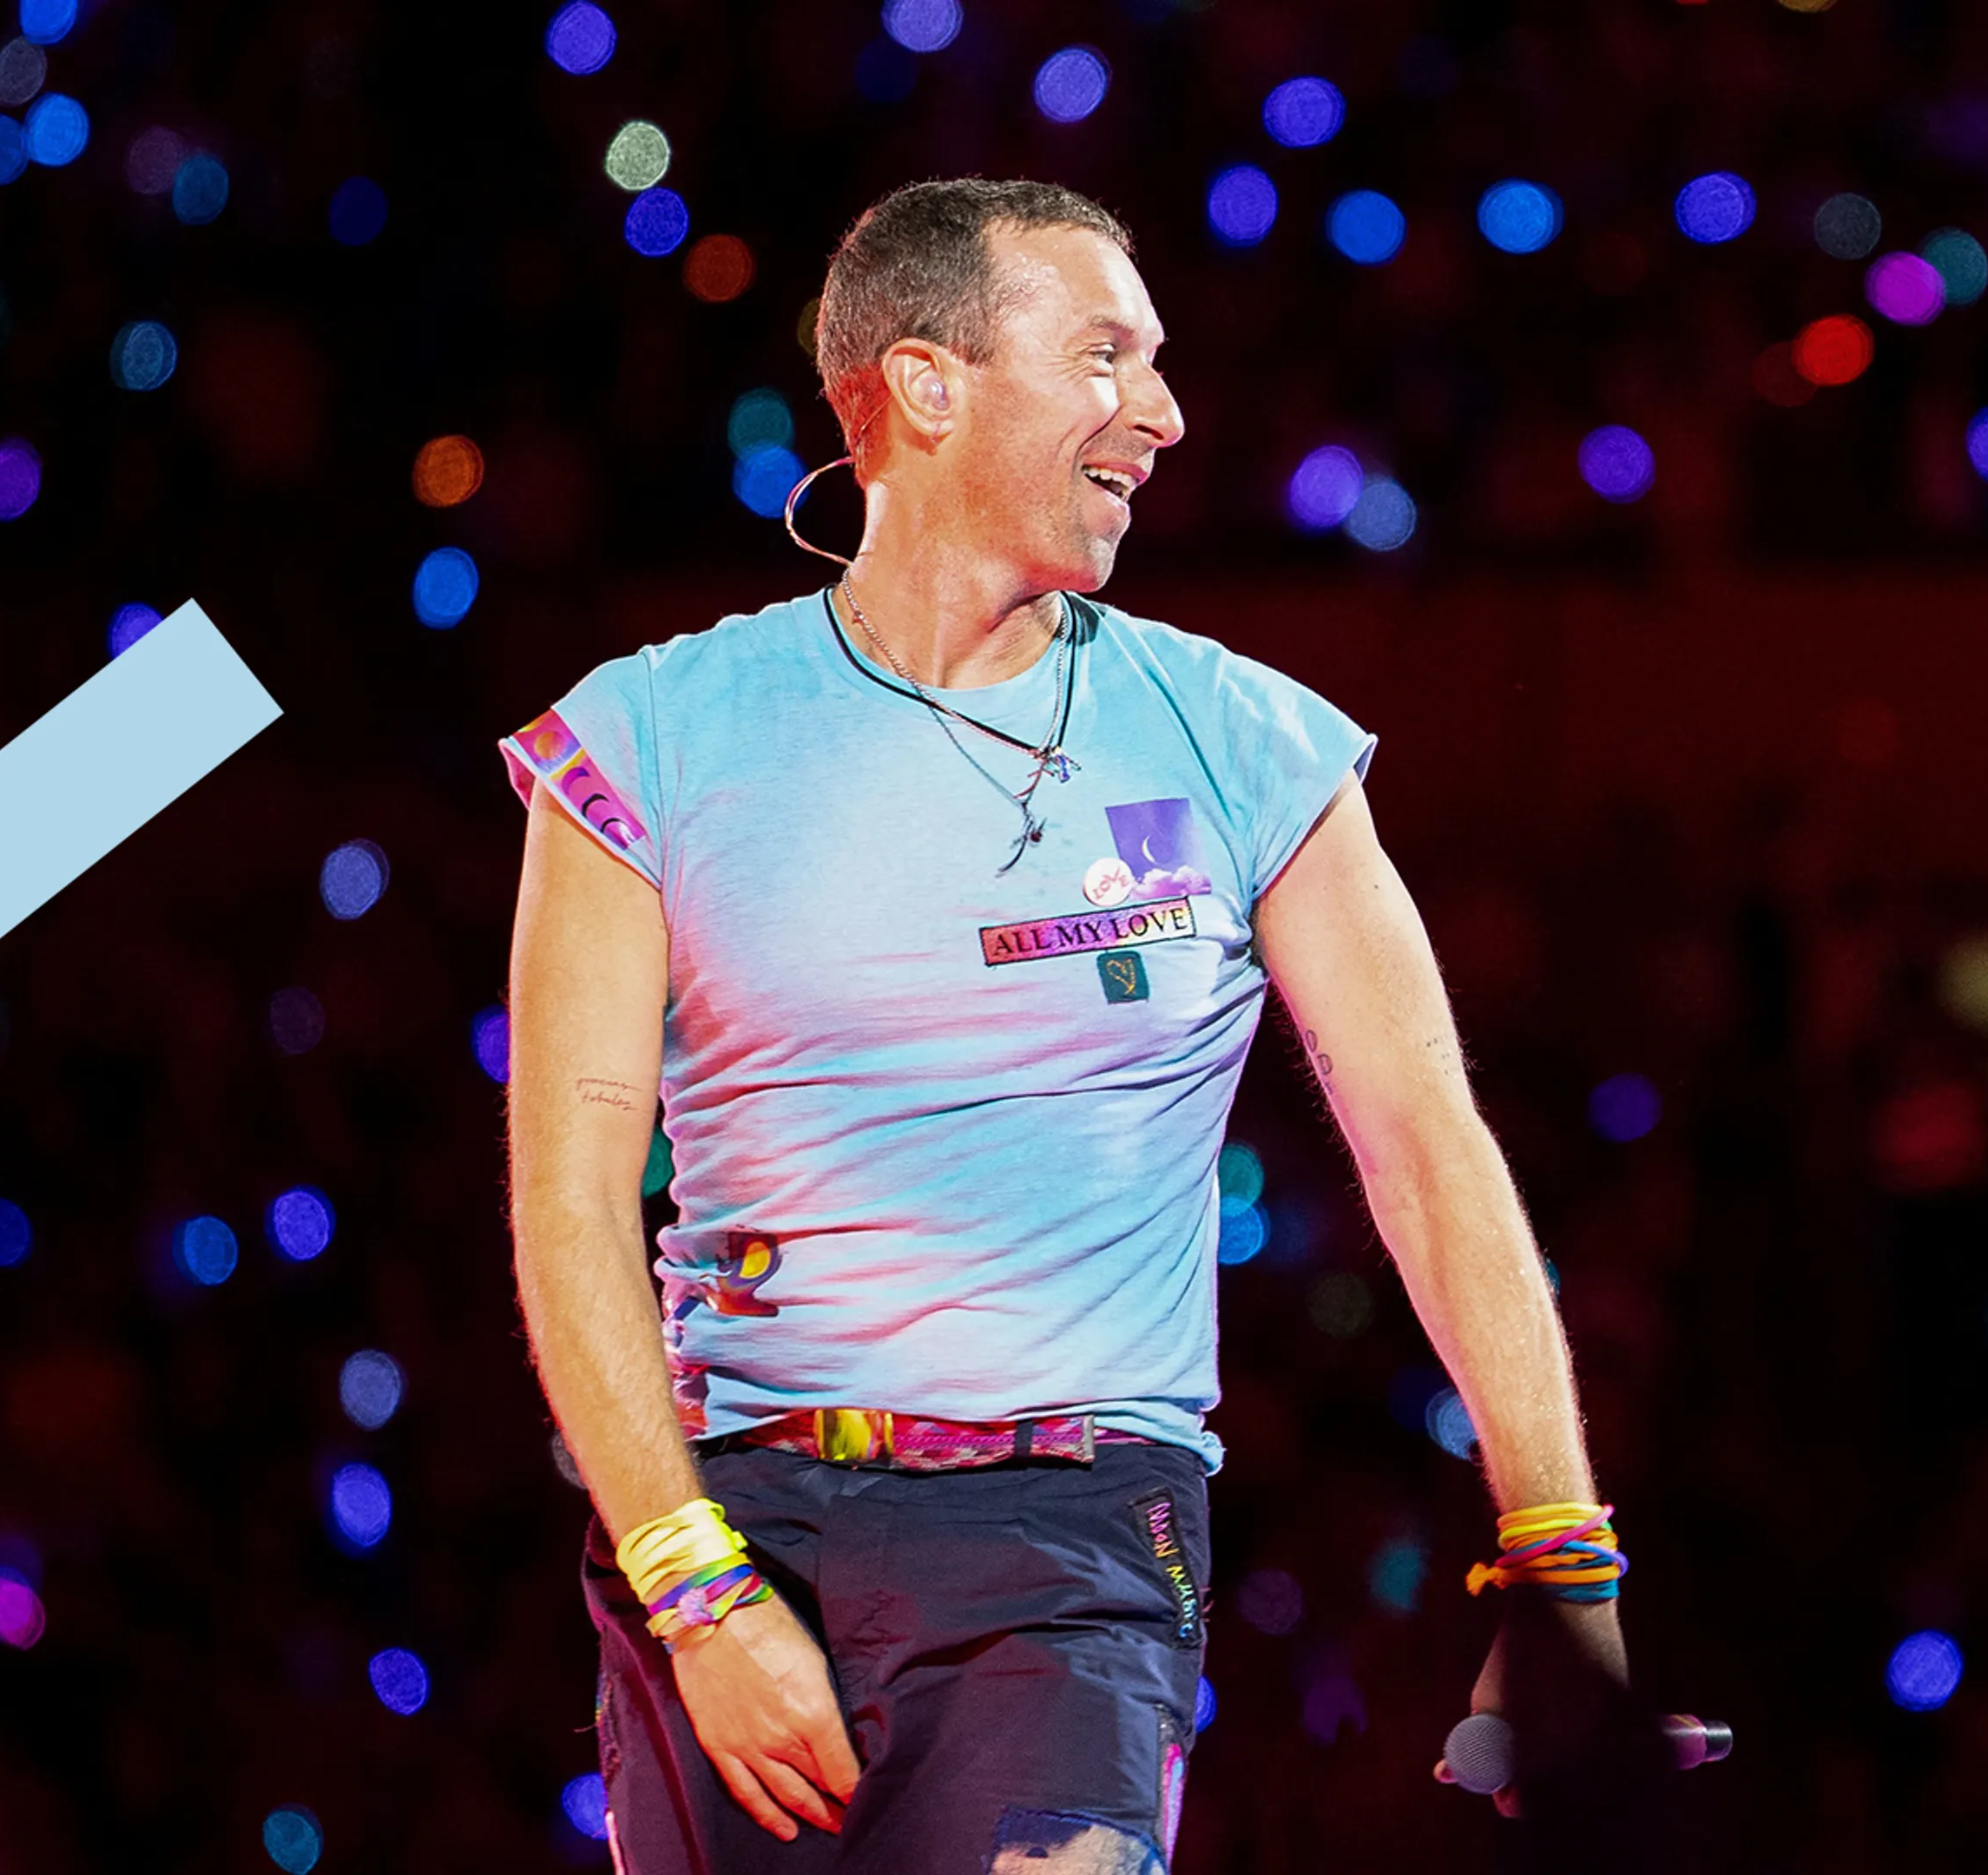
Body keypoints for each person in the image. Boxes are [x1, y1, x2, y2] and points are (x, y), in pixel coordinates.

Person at [499, 179, 1627, 1873]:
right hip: (731, 1531)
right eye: (1106, 357)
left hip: (1080, 1546)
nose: (1162, 416)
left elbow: (1428, 1146)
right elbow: (571, 1200)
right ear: (927, 385)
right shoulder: (644, 743)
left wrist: (1562, 1560)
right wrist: (692, 1584)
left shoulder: (1251, 746)